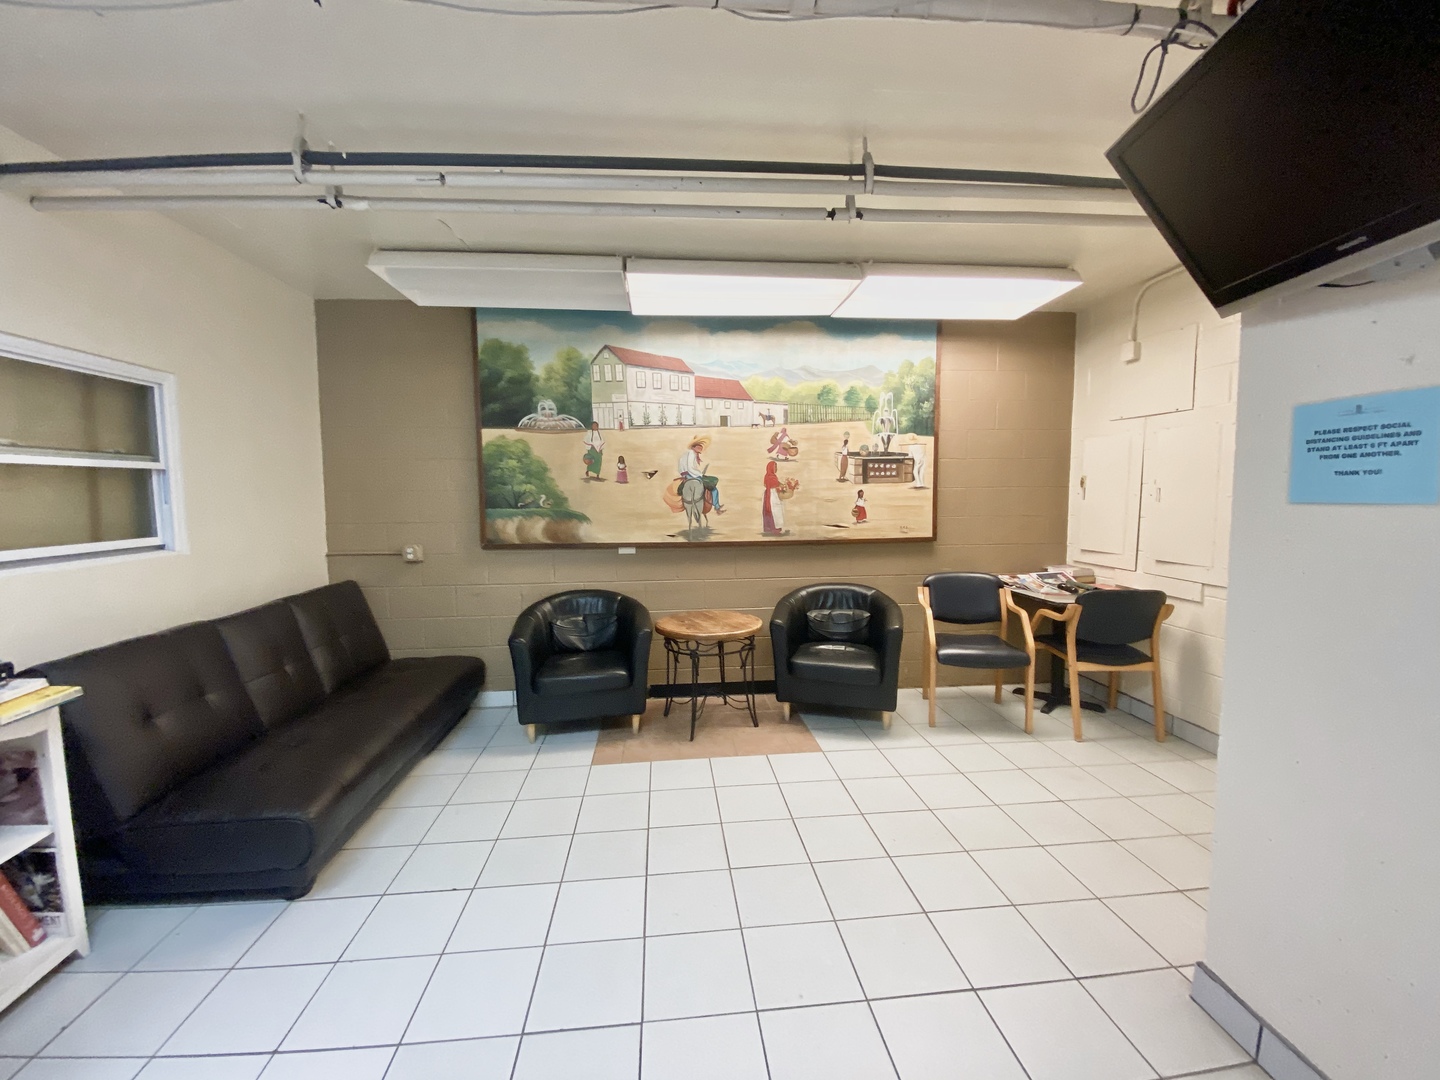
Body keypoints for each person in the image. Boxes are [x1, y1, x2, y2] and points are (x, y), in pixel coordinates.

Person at [678, 435, 726, 513]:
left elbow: (683, 468)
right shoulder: (691, 454)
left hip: (687, 475)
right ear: (694, 447)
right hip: (692, 475)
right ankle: (717, 507)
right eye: (699, 446)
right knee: (713, 486)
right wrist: (700, 474)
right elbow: (690, 468)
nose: (701, 447)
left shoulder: (688, 454)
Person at [761, 460, 786, 536]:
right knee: (775, 510)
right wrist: (782, 486)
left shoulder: (768, 476)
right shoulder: (771, 477)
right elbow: (776, 484)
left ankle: (769, 528)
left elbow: (766, 484)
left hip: (768, 494)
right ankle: (775, 528)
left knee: (771, 510)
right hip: (772, 495)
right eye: (775, 467)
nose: (776, 469)